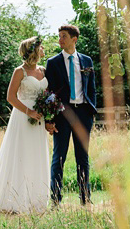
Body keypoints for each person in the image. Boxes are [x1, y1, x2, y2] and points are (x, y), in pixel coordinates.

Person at [0, 36, 51, 213]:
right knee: (21, 154)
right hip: (23, 117)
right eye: (40, 47)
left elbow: (48, 93)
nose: (43, 50)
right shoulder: (20, 71)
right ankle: (15, 199)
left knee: (37, 154)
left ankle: (37, 199)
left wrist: (48, 114)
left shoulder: (43, 70)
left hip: (39, 119)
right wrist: (29, 112)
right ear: (33, 50)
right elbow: (10, 97)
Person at [44, 24, 97, 206]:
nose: (60, 39)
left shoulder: (87, 61)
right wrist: (49, 119)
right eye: (59, 36)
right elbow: (49, 93)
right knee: (59, 158)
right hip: (62, 115)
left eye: (64, 36)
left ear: (74, 39)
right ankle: (55, 201)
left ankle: (85, 200)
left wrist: (91, 112)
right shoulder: (53, 63)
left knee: (83, 158)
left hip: (83, 113)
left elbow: (92, 89)